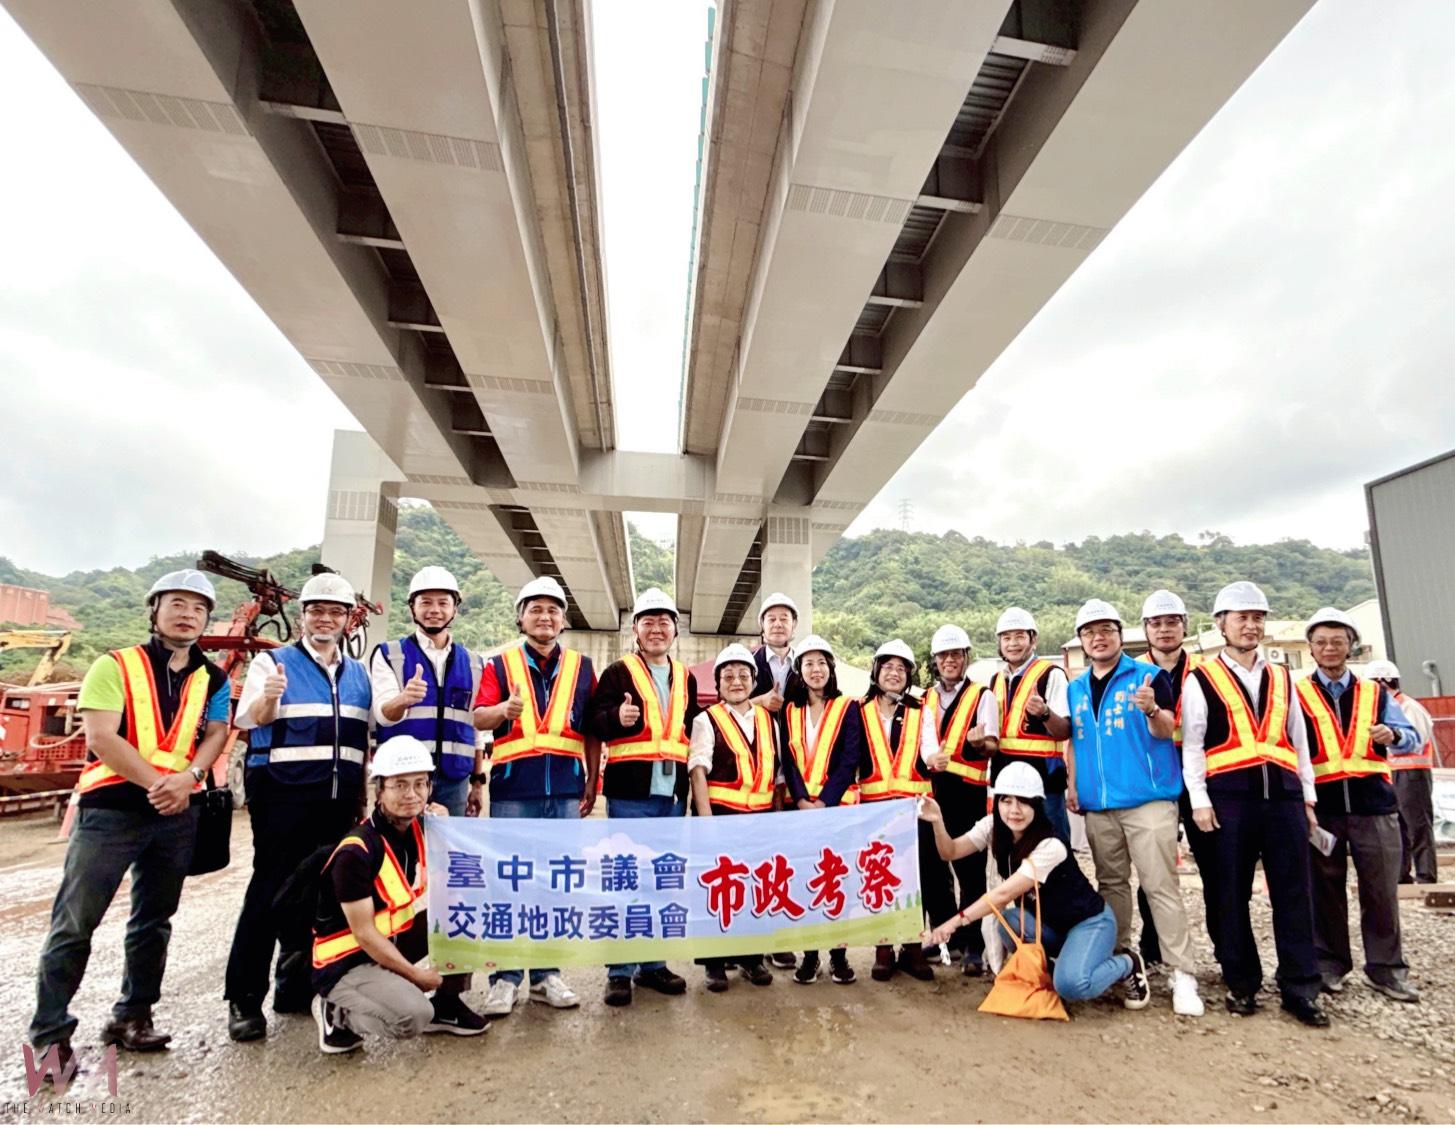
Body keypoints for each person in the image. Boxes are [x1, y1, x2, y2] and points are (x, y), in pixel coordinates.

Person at [28, 571, 232, 1070]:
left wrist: (192, 776)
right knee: (75, 923)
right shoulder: (113, 665)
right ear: (154, 610)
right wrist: (160, 784)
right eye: (177, 604)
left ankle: (132, 1016)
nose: (187, 614)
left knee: (153, 922)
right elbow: (101, 737)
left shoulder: (215, 677)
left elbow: (217, 731)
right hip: (112, 813)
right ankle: (50, 1035)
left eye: (198, 608)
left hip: (177, 813)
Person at [226, 571, 373, 1041]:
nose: (325, 619)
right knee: (270, 892)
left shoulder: (359, 675)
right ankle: (244, 999)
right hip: (283, 794)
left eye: (335, 612)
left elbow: (367, 737)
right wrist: (270, 700)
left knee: (320, 898)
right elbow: (253, 719)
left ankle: (293, 985)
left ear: (349, 620)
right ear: (304, 616)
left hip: (339, 800)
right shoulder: (274, 664)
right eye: (317, 611)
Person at [1181, 581, 1329, 1027]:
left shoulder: (1284, 676)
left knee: (1293, 892)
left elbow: (1299, 741)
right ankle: (1241, 982)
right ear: (1220, 624)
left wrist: (1307, 798)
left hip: (1282, 798)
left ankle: (1301, 987)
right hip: (1228, 799)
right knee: (1229, 892)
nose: (1251, 625)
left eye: (1257, 618)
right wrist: (1200, 800)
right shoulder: (1201, 678)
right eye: (1241, 617)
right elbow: (1192, 744)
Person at [1065, 600, 1201, 1016]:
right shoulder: (1075, 687)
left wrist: (1152, 709)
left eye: (1106, 629)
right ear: (1082, 641)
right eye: (1090, 632)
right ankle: (1123, 964)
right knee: (1111, 887)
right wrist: (1074, 785)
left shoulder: (1149, 676)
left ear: (1121, 634)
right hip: (1099, 806)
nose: (1098, 637)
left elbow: (1166, 729)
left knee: (1160, 885)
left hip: (1148, 801)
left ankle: (1183, 974)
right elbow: (1074, 740)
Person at [310, 736, 486, 1052]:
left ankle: (447, 1006)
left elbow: (462, 877)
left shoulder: (420, 829)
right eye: (400, 785)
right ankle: (338, 1014)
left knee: (463, 914)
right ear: (379, 791)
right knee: (414, 1016)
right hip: (347, 961)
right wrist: (416, 976)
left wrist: (447, 832)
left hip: (390, 941)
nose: (411, 794)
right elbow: (363, 934)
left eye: (420, 784)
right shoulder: (357, 851)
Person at [921, 763, 1150, 1006]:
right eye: (1006, 801)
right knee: (1008, 922)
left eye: (1024, 802)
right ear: (997, 801)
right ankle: (1055, 965)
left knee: (1072, 986)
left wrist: (953, 923)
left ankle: (1126, 964)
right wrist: (936, 821)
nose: (1014, 811)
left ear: (1037, 805)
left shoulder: (1050, 846)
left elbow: (1003, 893)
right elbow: (951, 851)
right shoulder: (994, 826)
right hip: (1049, 924)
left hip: (1088, 923)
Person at [472, 576, 597, 1016]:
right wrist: (501, 711)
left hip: (564, 789)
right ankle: (504, 979)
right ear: (521, 617)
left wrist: (592, 779)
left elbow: (592, 729)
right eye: (535, 609)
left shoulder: (583, 667)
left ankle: (546, 976)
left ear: (563, 620)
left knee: (553, 886)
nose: (545, 617)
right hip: (513, 791)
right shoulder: (499, 664)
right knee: (509, 884)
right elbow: (479, 716)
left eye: (553, 610)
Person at [1297, 609, 1423, 1003]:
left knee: (1381, 891)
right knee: (1324, 891)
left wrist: (1394, 733)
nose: (1329, 648)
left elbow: (1412, 737)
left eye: (1337, 641)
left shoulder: (1375, 693)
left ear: (1350, 645)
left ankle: (1386, 970)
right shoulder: (1297, 693)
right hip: (1324, 809)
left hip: (1375, 807)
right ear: (1311, 649)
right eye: (1321, 642)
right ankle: (1330, 964)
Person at [588, 587, 701, 1007]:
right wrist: (617, 718)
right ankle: (620, 971)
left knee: (660, 881)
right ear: (635, 629)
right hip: (630, 793)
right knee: (625, 880)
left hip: (670, 795)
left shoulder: (685, 676)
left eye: (664, 622)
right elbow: (594, 722)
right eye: (648, 622)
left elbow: (692, 732)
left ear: (675, 631)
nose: (656, 629)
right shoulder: (618, 672)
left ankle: (652, 964)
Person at [1132, 589, 1219, 968]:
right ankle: (1152, 948)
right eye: (1156, 623)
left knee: (1217, 867)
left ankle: (1226, 951)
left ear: (1184, 625)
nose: (1165, 630)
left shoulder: (1210, 669)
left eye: (1172, 622)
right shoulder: (1132, 671)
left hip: (1201, 776)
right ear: (1145, 629)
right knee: (1153, 869)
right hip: (1153, 776)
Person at [689, 644, 779, 991]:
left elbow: (778, 776)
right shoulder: (706, 719)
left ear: (754, 681)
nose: (736, 681)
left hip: (759, 820)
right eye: (728, 676)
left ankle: (751, 958)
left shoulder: (769, 721)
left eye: (743, 675)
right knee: (718, 890)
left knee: (754, 890)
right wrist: (706, 822)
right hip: (721, 817)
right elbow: (698, 771)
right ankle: (713, 964)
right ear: (719, 683)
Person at [779, 634, 864, 984]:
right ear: (798, 670)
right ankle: (810, 955)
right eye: (808, 663)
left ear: (831, 668)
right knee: (806, 882)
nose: (816, 670)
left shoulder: (848, 708)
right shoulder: (790, 710)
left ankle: (838, 955)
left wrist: (824, 802)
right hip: (799, 809)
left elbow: (850, 758)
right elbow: (788, 758)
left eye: (821, 663)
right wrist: (800, 799)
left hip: (836, 809)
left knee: (836, 881)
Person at [371, 566, 485, 818]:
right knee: (399, 850)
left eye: (443, 602)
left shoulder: (474, 663)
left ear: (455, 609)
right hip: (403, 777)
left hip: (454, 779)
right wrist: (402, 700)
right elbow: (383, 715)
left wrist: (477, 782)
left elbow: (475, 727)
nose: (434, 610)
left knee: (446, 852)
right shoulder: (390, 654)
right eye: (426, 602)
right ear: (412, 607)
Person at [858, 639, 938, 983]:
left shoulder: (921, 711)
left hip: (913, 809)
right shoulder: (858, 710)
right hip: (873, 809)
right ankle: (883, 947)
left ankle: (912, 946)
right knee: (880, 876)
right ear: (877, 672)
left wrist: (935, 759)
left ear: (909, 676)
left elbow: (930, 749)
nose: (894, 674)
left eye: (901, 669)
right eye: (888, 667)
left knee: (913, 878)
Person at [921, 623, 999, 976]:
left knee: (970, 873)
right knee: (932, 869)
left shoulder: (983, 696)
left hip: (968, 792)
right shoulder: (925, 698)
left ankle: (973, 944)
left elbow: (993, 745)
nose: (949, 661)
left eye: (955, 655)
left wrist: (979, 742)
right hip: (933, 792)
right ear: (935, 660)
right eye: (943, 656)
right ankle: (943, 934)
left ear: (965, 657)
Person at [749, 591, 802, 971]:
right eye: (772, 618)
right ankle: (750, 942)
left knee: (786, 860)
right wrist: (757, 702)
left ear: (794, 626)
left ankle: (780, 938)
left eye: (785, 618)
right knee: (754, 859)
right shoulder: (744, 663)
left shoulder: (811, 664)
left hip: (797, 775)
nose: (778, 623)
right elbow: (725, 703)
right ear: (761, 625)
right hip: (757, 775)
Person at [989, 608, 1073, 842]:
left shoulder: (1051, 674)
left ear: (1033, 639)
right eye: (1006, 638)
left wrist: (1045, 713)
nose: (1012, 643)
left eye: (1019, 637)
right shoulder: (996, 680)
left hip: (1044, 781)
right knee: (1011, 846)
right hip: (1006, 779)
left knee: (1051, 844)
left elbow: (1065, 731)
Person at [1367, 660, 1440, 885]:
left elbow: (1417, 739)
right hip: (1392, 772)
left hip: (1412, 772)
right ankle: (1401, 874)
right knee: (1397, 826)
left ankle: (1426, 875)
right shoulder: (1389, 706)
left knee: (1417, 824)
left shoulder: (1408, 706)